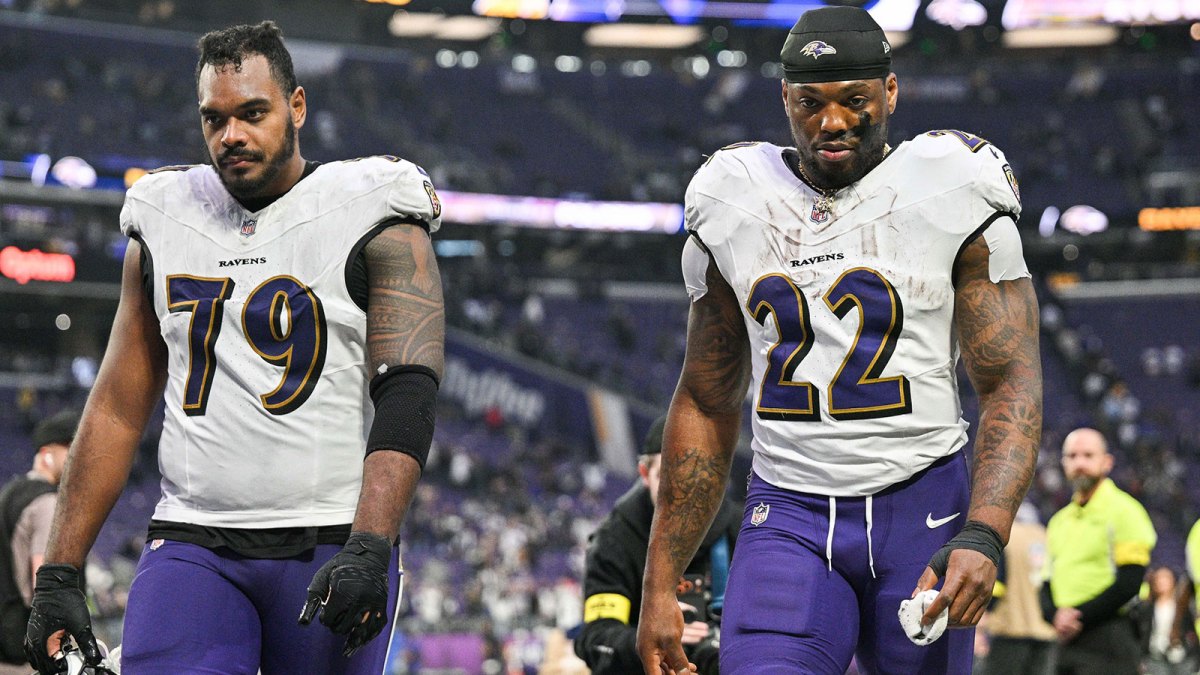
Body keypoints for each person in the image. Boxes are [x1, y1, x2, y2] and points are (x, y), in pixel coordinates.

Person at [23, 21, 444, 675]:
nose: (232, 136)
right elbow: (115, 405)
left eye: (253, 113)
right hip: (195, 539)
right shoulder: (164, 214)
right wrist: (58, 569)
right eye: (214, 119)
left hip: (330, 540)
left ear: (296, 106)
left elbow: (409, 389)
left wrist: (370, 540)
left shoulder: (373, 207)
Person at [635, 6, 1043, 674]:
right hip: (788, 513)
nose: (831, 122)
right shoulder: (734, 198)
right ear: (784, 100)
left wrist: (986, 530)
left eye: (855, 100)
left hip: (923, 508)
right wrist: (658, 584)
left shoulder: (952, 184)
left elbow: (1009, 382)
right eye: (810, 101)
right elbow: (707, 400)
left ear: (889, 92)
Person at [575, 415, 739, 675]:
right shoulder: (615, 539)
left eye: (692, 476)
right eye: (667, 476)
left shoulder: (739, 527)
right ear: (644, 474)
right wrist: (653, 640)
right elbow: (595, 640)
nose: (682, 491)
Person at [1041, 428, 1156, 675]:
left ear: (1107, 462)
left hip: (1110, 638)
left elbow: (1130, 581)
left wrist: (1077, 617)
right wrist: (1055, 616)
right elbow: (1045, 583)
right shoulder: (1058, 521)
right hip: (1064, 643)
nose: (1079, 463)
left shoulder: (1126, 511)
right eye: (1071, 456)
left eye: (1088, 455)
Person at [0, 410, 79, 673]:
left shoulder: (9, 494)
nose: (77, 457)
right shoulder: (47, 502)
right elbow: (44, 584)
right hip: (25, 650)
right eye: (69, 448)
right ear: (47, 453)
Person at [981, 502, 1055, 675]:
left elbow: (998, 583)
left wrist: (987, 609)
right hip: (1046, 631)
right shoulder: (1047, 536)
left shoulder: (1005, 536)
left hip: (1011, 628)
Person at [1132, 567, 1196, 675]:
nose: (1161, 582)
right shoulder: (1146, 608)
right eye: (1159, 578)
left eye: (1166, 578)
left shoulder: (1182, 607)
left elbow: (1191, 632)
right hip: (1155, 659)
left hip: (1181, 659)